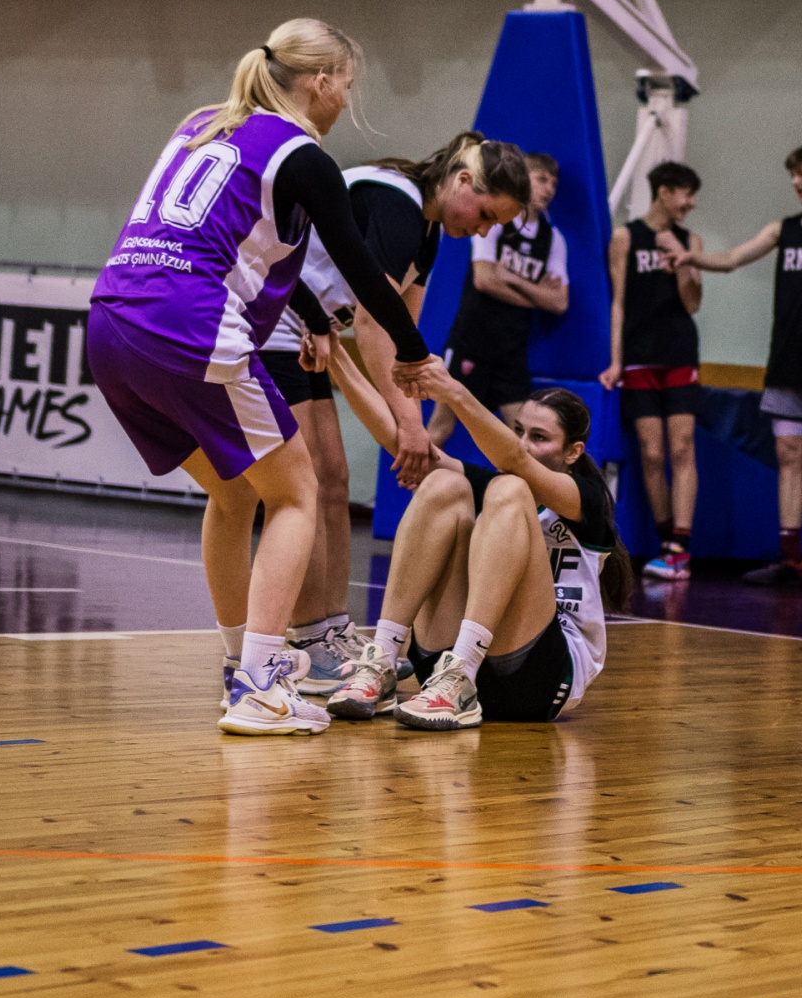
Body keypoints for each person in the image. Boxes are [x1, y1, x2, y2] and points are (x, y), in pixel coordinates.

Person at [86, 19, 431, 739]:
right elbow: (365, 274)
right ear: (321, 81)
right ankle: (262, 683)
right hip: (191, 323)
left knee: (234, 489)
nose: (347, 100)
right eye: (347, 84)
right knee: (299, 492)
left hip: (112, 321)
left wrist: (311, 315)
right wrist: (415, 353)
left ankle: (240, 661)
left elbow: (218, 237)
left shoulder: (201, 124)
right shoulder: (304, 156)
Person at [255, 133, 531, 695]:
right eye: (485, 215)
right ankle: (306, 638)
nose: (483, 231)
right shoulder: (395, 202)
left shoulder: (427, 233)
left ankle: (331, 629)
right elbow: (374, 325)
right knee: (306, 485)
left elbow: (408, 342)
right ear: (462, 181)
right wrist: (410, 427)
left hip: (312, 331)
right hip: (275, 318)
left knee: (334, 478)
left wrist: (413, 432)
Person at [317, 337, 632, 728]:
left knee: (510, 486)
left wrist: (454, 392)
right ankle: (382, 659)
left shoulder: (586, 499)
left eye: (539, 437)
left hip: (538, 677)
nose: (523, 444)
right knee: (442, 483)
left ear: (573, 452)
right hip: (448, 669)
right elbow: (400, 444)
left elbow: (514, 460)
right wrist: (336, 357)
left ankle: (462, 672)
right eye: (519, 431)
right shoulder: (502, 487)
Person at [660, 143, 802, 594]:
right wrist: (691, 258)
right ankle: (791, 559)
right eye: (793, 176)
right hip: (786, 362)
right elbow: (733, 259)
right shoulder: (783, 230)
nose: (796, 182)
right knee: (789, 457)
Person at [599, 160, 704, 583]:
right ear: (664, 191)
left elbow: (693, 303)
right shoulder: (626, 237)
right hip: (639, 356)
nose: (690, 203)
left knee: (682, 449)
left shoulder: (689, 240)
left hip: (680, 353)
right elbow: (618, 302)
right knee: (652, 452)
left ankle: (680, 547)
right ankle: (664, 541)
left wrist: (680, 258)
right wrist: (615, 360)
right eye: (686, 194)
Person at [428, 151, 569, 448]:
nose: (549, 189)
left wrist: (510, 277)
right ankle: (413, 479)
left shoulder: (553, 238)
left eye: (554, 184)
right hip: (472, 341)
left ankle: (515, 483)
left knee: (522, 439)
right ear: (523, 180)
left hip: (512, 350)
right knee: (441, 427)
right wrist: (536, 292)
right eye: (542, 179)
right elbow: (485, 280)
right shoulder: (493, 221)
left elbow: (559, 303)